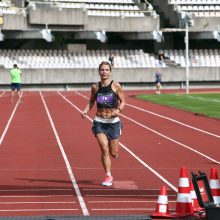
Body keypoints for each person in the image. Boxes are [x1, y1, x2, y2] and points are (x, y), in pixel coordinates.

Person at [81, 61, 125, 187]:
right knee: (104, 148)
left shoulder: (116, 86)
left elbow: (123, 101)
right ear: (99, 71)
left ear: (110, 72)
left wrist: (118, 110)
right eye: (102, 70)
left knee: (114, 153)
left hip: (113, 123)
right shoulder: (95, 87)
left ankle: (118, 136)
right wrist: (85, 111)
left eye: (106, 70)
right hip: (99, 121)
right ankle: (108, 175)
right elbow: (91, 102)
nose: (104, 72)